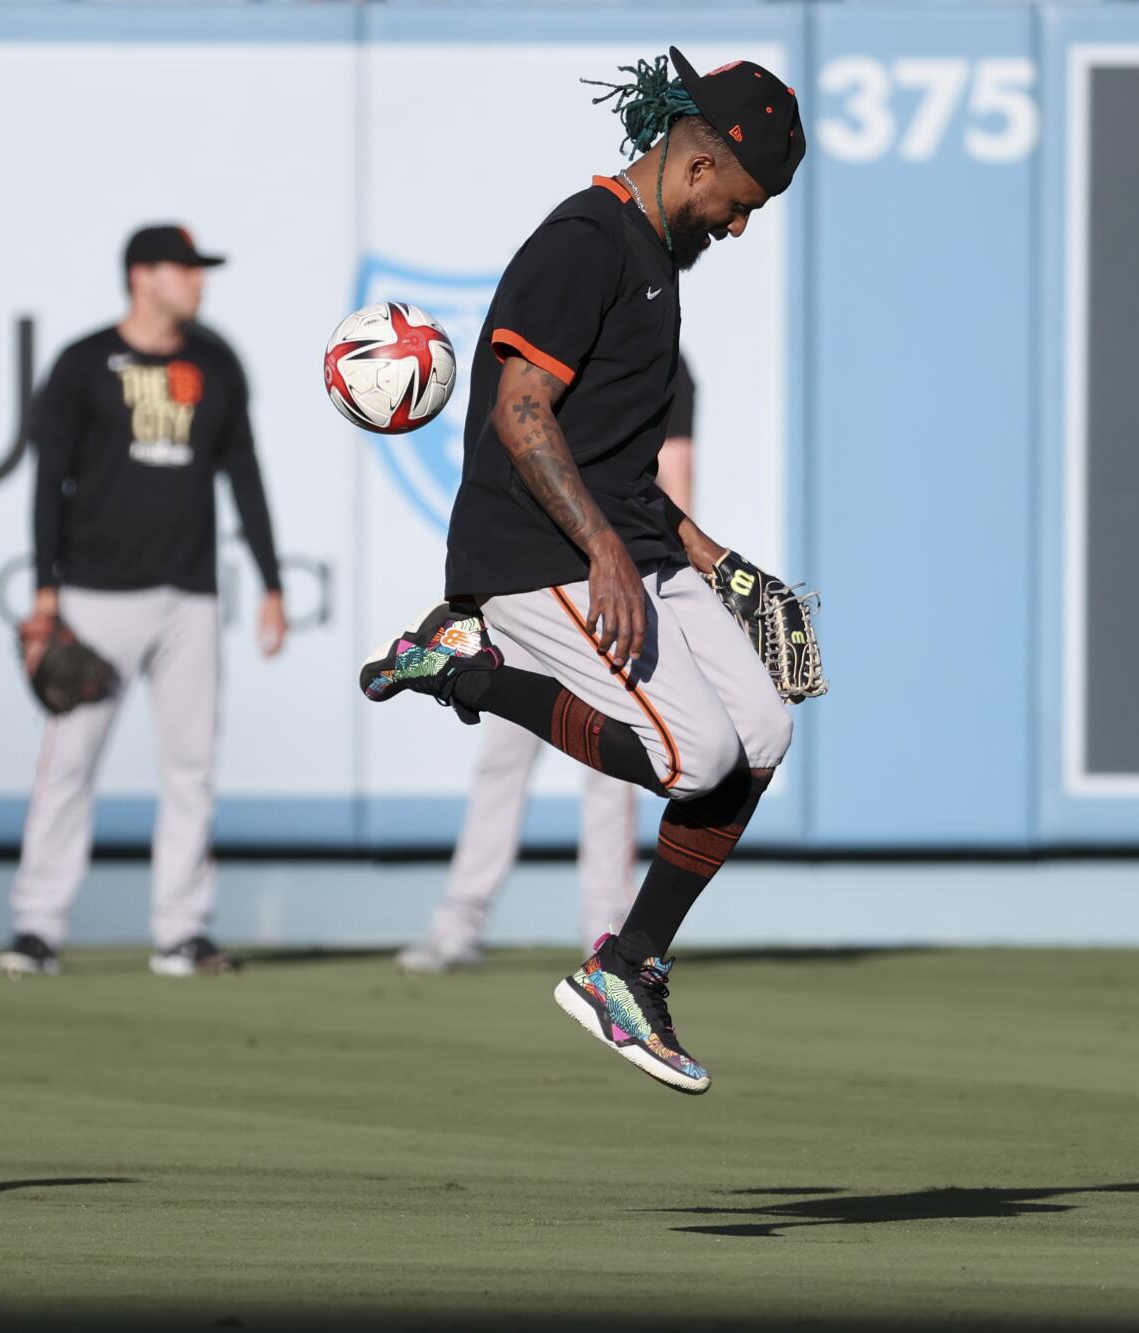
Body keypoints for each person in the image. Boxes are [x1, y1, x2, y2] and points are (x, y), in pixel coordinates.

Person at [359, 50, 806, 1095]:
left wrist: (729, 569)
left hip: (630, 543)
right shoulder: (584, 240)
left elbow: (623, 470)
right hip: (537, 550)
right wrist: (602, 546)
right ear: (701, 168)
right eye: (741, 205)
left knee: (764, 732)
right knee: (693, 755)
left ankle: (627, 963)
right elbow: (520, 412)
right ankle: (458, 665)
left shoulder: (653, 260)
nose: (739, 227)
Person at [0, 225, 286, 979]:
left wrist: (272, 581)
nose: (199, 282)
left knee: (190, 767)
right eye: (184, 269)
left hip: (189, 592)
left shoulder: (215, 362)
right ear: (141, 276)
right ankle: (36, 926)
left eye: (198, 269)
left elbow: (244, 475)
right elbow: (48, 480)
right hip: (95, 592)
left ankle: (182, 930)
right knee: (68, 765)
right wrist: (46, 591)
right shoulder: (85, 363)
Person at [397, 359, 697, 972]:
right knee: (505, 758)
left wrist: (671, 586)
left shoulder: (662, 363)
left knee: (614, 769)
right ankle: (461, 921)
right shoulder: (548, 354)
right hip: (537, 585)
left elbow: (677, 474)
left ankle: (602, 929)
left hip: (609, 596)